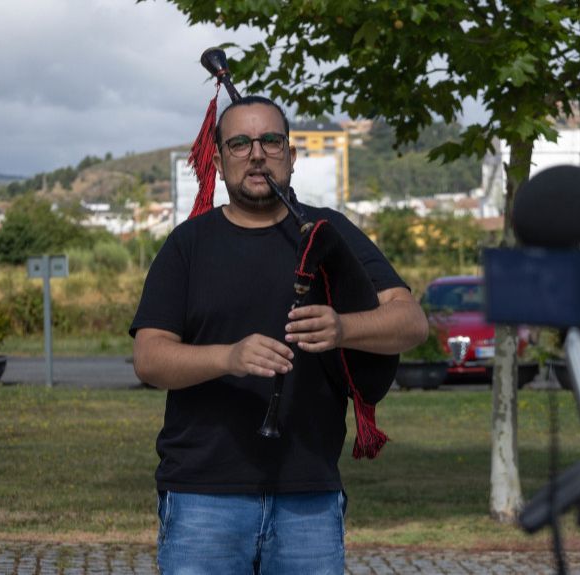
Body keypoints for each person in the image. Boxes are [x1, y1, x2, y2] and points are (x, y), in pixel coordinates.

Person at [130, 95, 428, 574]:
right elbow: (149, 358)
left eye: (270, 140)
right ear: (220, 160)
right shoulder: (188, 245)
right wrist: (229, 357)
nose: (256, 153)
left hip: (308, 494)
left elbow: (411, 322)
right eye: (240, 143)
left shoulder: (329, 233)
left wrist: (343, 326)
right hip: (203, 494)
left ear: (290, 155)